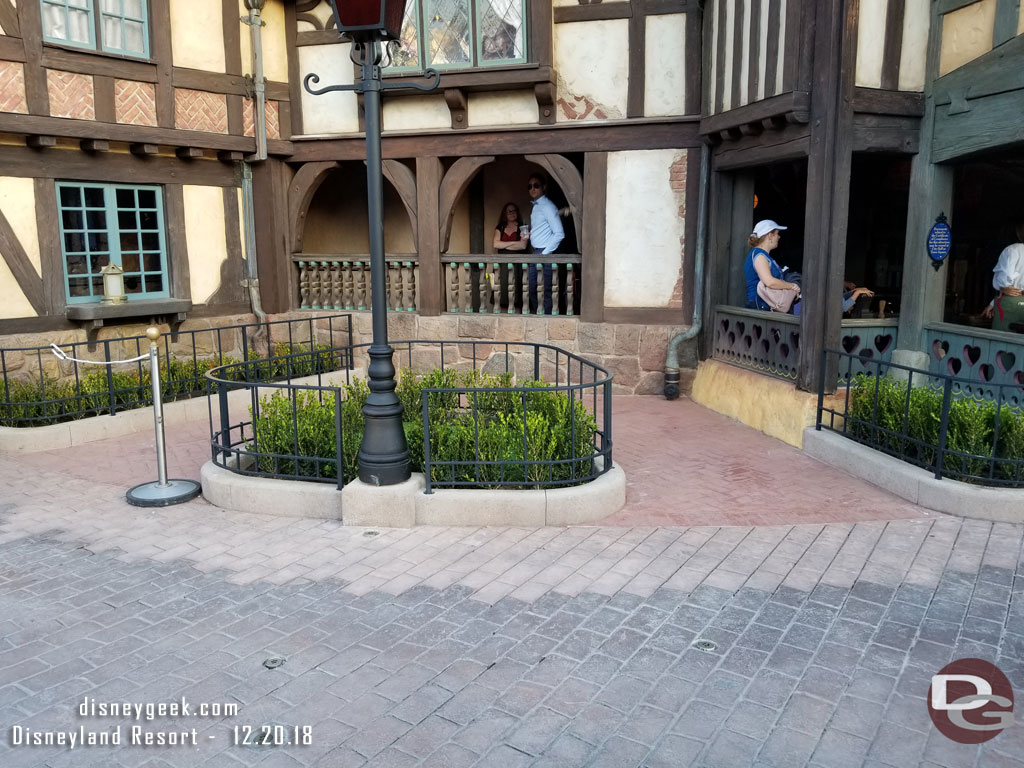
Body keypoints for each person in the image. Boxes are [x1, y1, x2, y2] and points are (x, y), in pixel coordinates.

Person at [526, 173, 564, 314]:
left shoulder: (547, 206)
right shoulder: (536, 206)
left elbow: (559, 233)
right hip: (536, 251)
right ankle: (538, 316)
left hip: (545, 253)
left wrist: (545, 253)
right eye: (529, 186)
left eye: (536, 185)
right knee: (532, 288)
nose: (532, 189)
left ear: (543, 187)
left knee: (546, 290)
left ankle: (547, 319)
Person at [744, 219, 800, 311]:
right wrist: (791, 286)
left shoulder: (762, 255)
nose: (779, 237)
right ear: (770, 235)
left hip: (763, 307)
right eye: (777, 234)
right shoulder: (759, 256)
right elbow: (770, 282)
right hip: (760, 308)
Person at [981, 222, 1024, 332]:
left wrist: (1003, 287)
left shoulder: (1012, 250)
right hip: (1016, 298)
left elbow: (1007, 281)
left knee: (1002, 341)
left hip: (1012, 303)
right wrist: (993, 303)